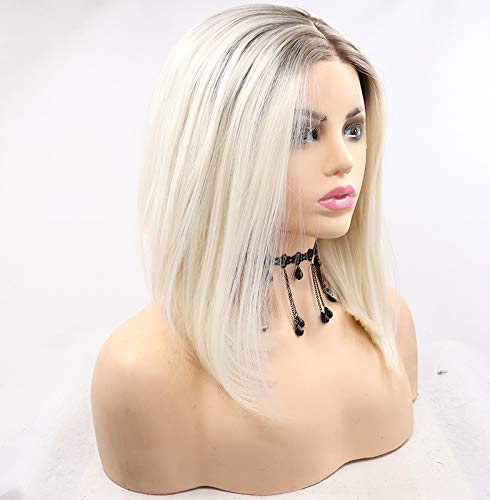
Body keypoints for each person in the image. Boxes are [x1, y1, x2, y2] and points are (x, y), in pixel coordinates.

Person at [91, 4, 418, 496]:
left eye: (353, 129)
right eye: (303, 133)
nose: (344, 160)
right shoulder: (138, 374)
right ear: (220, 149)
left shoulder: (388, 323)